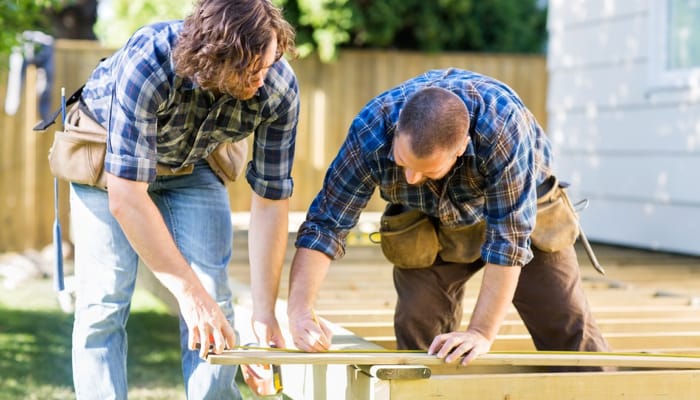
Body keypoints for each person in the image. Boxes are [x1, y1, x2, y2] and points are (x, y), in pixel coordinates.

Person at [285, 68, 611, 369]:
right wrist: (299, 310)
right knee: (419, 332)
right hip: (426, 217)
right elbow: (326, 224)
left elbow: (508, 242)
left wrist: (481, 333)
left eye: (426, 169)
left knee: (567, 329)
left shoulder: (502, 127)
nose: (411, 177)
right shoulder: (372, 130)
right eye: (402, 161)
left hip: (524, 213)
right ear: (397, 129)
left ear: (461, 149)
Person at [68, 0, 298, 398]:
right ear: (215, 57)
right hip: (108, 164)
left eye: (269, 61)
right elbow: (126, 197)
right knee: (104, 301)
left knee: (215, 296)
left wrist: (264, 313)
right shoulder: (152, 60)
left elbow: (271, 199)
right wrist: (189, 296)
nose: (264, 77)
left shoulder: (277, 87)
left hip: (191, 165)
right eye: (251, 70)